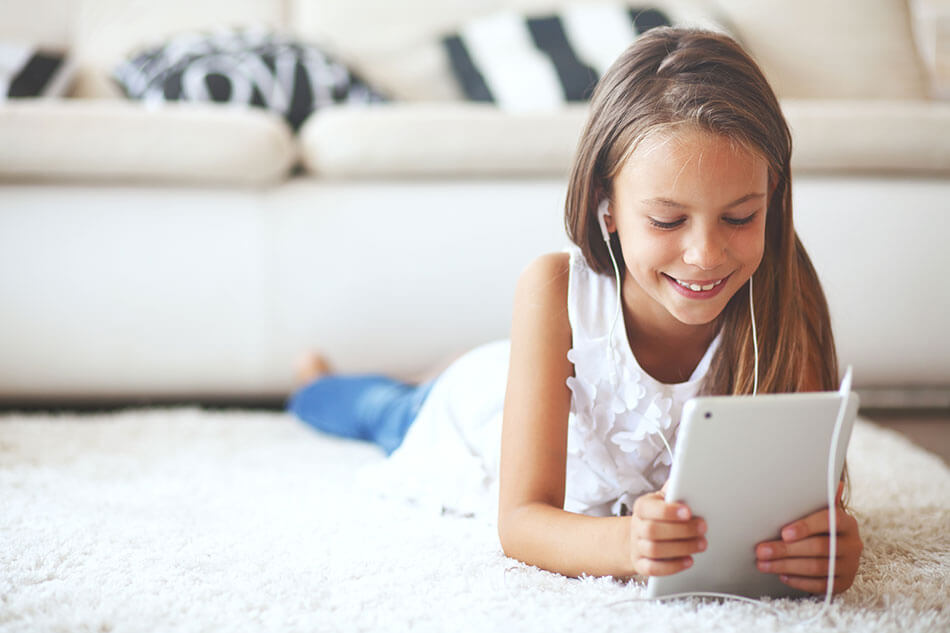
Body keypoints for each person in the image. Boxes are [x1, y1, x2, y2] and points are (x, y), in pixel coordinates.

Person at [287, 27, 863, 594]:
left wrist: (830, 543)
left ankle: (464, 365)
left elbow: (810, 505)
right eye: (666, 221)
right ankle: (322, 379)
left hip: (531, 388)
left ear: (773, 196)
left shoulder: (786, 295)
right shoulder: (553, 288)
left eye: (740, 218)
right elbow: (520, 523)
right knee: (382, 410)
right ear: (605, 207)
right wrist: (625, 545)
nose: (706, 255)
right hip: (472, 416)